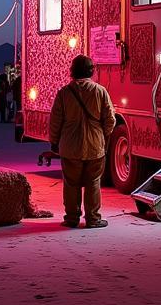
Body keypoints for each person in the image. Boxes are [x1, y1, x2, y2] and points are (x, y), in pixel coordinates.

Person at [48, 54, 115, 229]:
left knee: (71, 183)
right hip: (95, 146)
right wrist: (103, 135)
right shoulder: (100, 91)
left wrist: (54, 140)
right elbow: (110, 120)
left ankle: (71, 218)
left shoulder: (64, 93)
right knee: (93, 182)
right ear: (91, 71)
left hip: (70, 146)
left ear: (72, 71)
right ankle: (93, 219)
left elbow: (55, 120)